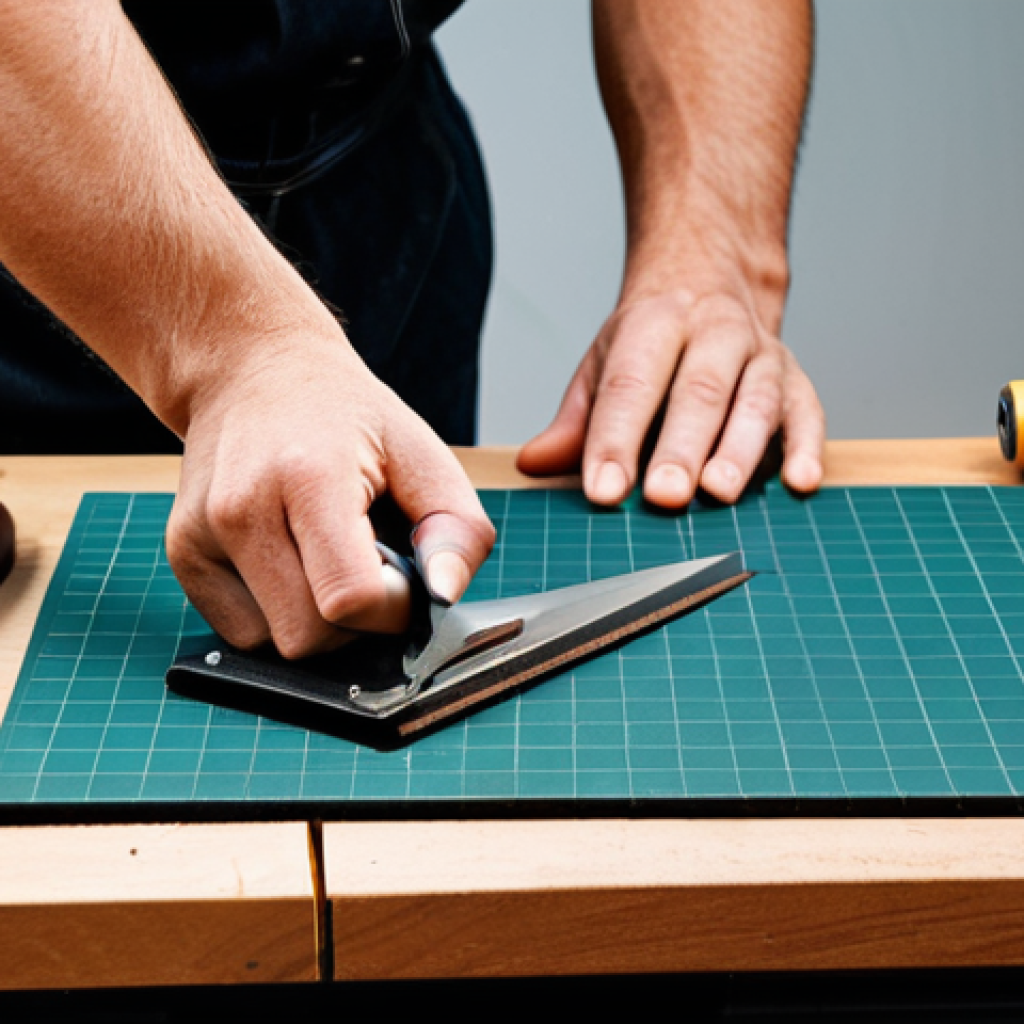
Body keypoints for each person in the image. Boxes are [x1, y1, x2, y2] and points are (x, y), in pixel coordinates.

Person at [0, 0, 824, 659]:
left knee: (368, 619)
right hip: (35, 206)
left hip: (377, 170)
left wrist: (712, 257)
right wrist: (237, 348)